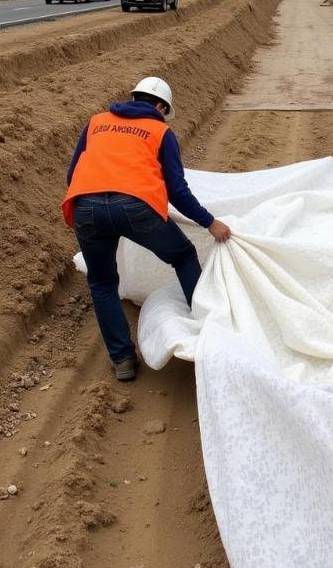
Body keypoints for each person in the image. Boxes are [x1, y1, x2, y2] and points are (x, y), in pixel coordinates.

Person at [62, 77, 231, 382]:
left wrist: (99, 202)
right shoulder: (160, 131)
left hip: (85, 206)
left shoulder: (96, 123)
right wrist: (209, 222)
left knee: (102, 283)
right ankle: (205, 328)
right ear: (160, 106)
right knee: (182, 255)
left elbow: (73, 173)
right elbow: (177, 191)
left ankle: (123, 359)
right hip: (135, 208)